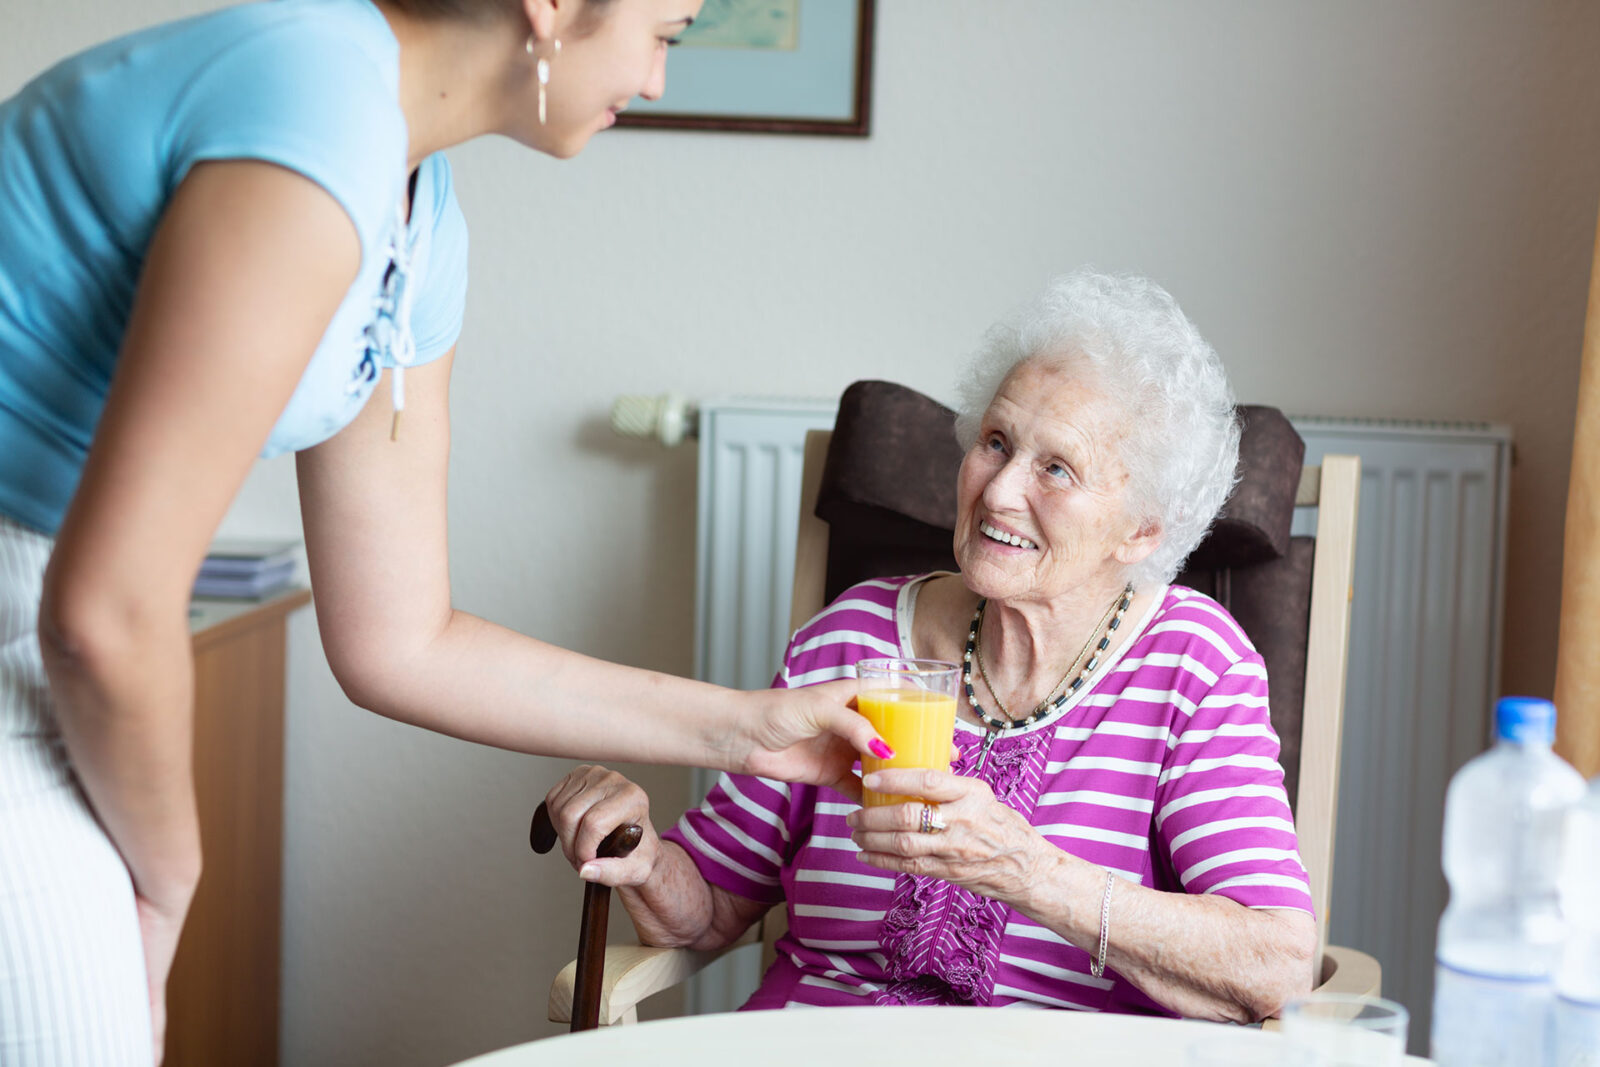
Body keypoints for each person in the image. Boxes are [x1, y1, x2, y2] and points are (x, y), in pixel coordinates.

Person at [0, 2, 889, 1063]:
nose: (657, 78)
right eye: (667, 31)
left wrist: (749, 727)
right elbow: (106, 614)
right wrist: (168, 879)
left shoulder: (420, 221)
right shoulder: (316, 104)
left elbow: (400, 641)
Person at [542, 269, 1318, 1020]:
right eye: (995, 441)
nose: (999, 490)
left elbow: (1275, 965)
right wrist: (642, 857)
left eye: (1056, 468)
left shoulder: (1192, 665)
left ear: (1141, 529)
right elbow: (711, 905)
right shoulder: (853, 635)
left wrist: (1031, 872)